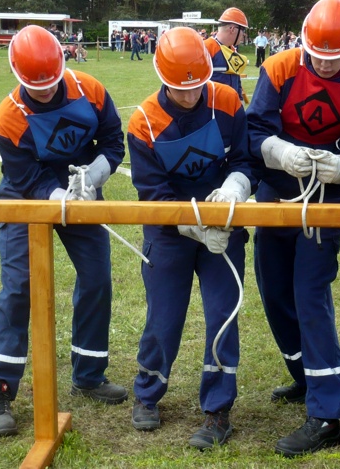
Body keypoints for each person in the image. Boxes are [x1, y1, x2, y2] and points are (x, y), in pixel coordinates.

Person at [246, 0, 340, 457]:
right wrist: (281, 153)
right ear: (305, 45)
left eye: (334, 56)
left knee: (310, 293)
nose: (324, 63)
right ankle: (306, 378)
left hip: (325, 203)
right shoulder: (280, 69)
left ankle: (325, 411)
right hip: (274, 194)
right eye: (317, 55)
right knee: (275, 290)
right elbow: (255, 130)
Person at [0, 25, 127, 436]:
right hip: (24, 197)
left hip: (82, 192)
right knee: (19, 287)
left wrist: (94, 177)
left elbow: (113, 142)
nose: (44, 92)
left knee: (97, 279)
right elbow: (25, 176)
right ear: (18, 76)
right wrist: (56, 192)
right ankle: (0, 388)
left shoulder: (92, 91)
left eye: (49, 84)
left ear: (63, 67)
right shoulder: (8, 117)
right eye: (35, 86)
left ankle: (89, 372)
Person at [127, 26, 256, 449]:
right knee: (163, 318)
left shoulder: (228, 100)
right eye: (179, 90)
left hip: (225, 225)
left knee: (223, 315)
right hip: (169, 233)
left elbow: (244, 160)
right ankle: (147, 393)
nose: (189, 97)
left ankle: (218, 409)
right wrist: (190, 225)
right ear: (161, 78)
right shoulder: (144, 122)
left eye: (197, 87)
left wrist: (236, 188)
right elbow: (154, 194)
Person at [203, 7, 248, 100]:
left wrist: (239, 100)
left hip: (230, 109)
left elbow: (237, 80)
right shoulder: (206, 49)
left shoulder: (232, 50)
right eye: (243, 30)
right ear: (232, 29)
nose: (243, 34)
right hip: (212, 110)